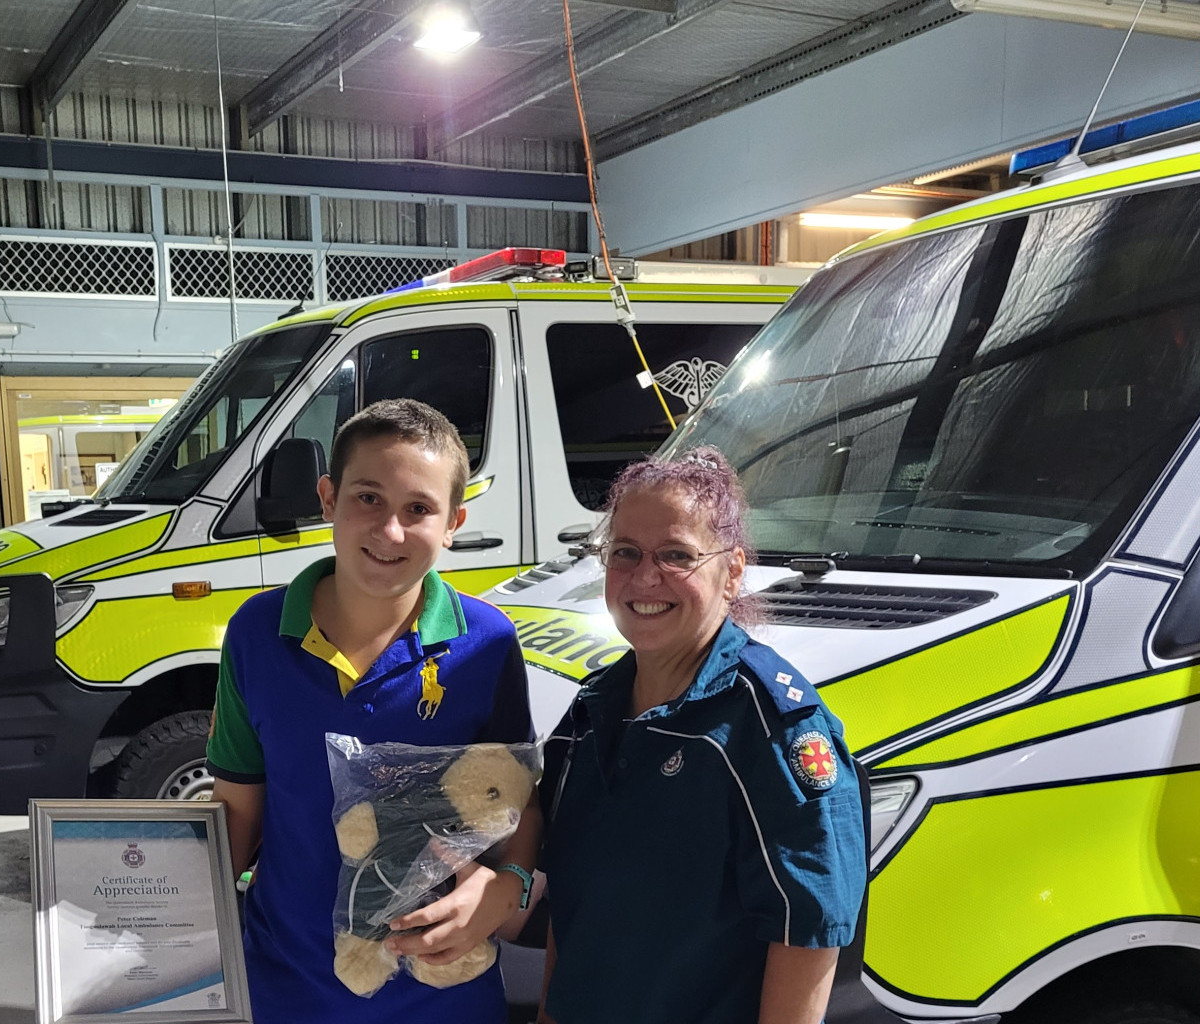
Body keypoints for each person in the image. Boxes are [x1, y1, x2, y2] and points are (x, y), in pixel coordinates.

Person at [207, 398, 541, 1024]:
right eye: (368, 498)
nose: (390, 531)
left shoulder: (488, 644)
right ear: (328, 499)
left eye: (418, 509)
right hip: (285, 989)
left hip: (444, 997)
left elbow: (514, 806)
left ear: (453, 522)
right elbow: (235, 817)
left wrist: (507, 887)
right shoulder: (256, 633)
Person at [537, 446, 866, 1024]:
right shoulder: (588, 715)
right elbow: (574, 909)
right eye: (625, 552)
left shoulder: (769, 726)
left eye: (675, 555)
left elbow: (807, 934)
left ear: (732, 570)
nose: (644, 576)